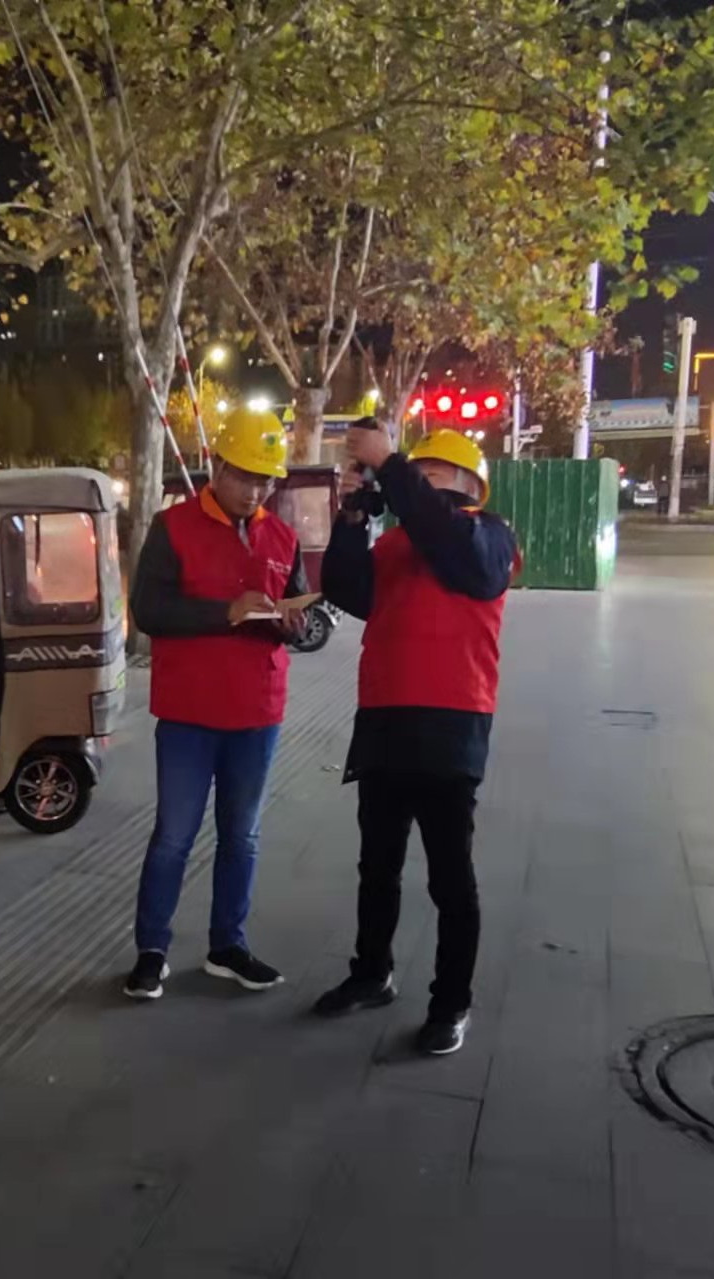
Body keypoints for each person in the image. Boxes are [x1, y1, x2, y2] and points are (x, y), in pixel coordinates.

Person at [312, 422, 518, 1055]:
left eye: (428, 472)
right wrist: (352, 518)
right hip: (385, 723)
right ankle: (371, 972)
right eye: (413, 472)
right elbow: (347, 590)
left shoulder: (489, 538)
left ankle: (451, 1003)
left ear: (467, 485)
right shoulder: (398, 544)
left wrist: (392, 465)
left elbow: (451, 545)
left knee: (450, 879)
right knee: (377, 867)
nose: (414, 480)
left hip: (452, 727)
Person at [122, 417, 310, 1001]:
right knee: (173, 837)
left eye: (266, 481)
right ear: (218, 468)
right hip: (189, 712)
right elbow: (148, 611)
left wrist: (294, 625)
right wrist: (225, 612)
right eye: (246, 477)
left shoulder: (282, 536)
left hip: (257, 711)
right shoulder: (172, 527)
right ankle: (151, 951)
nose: (256, 491)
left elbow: (295, 611)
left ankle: (227, 946)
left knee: (242, 836)